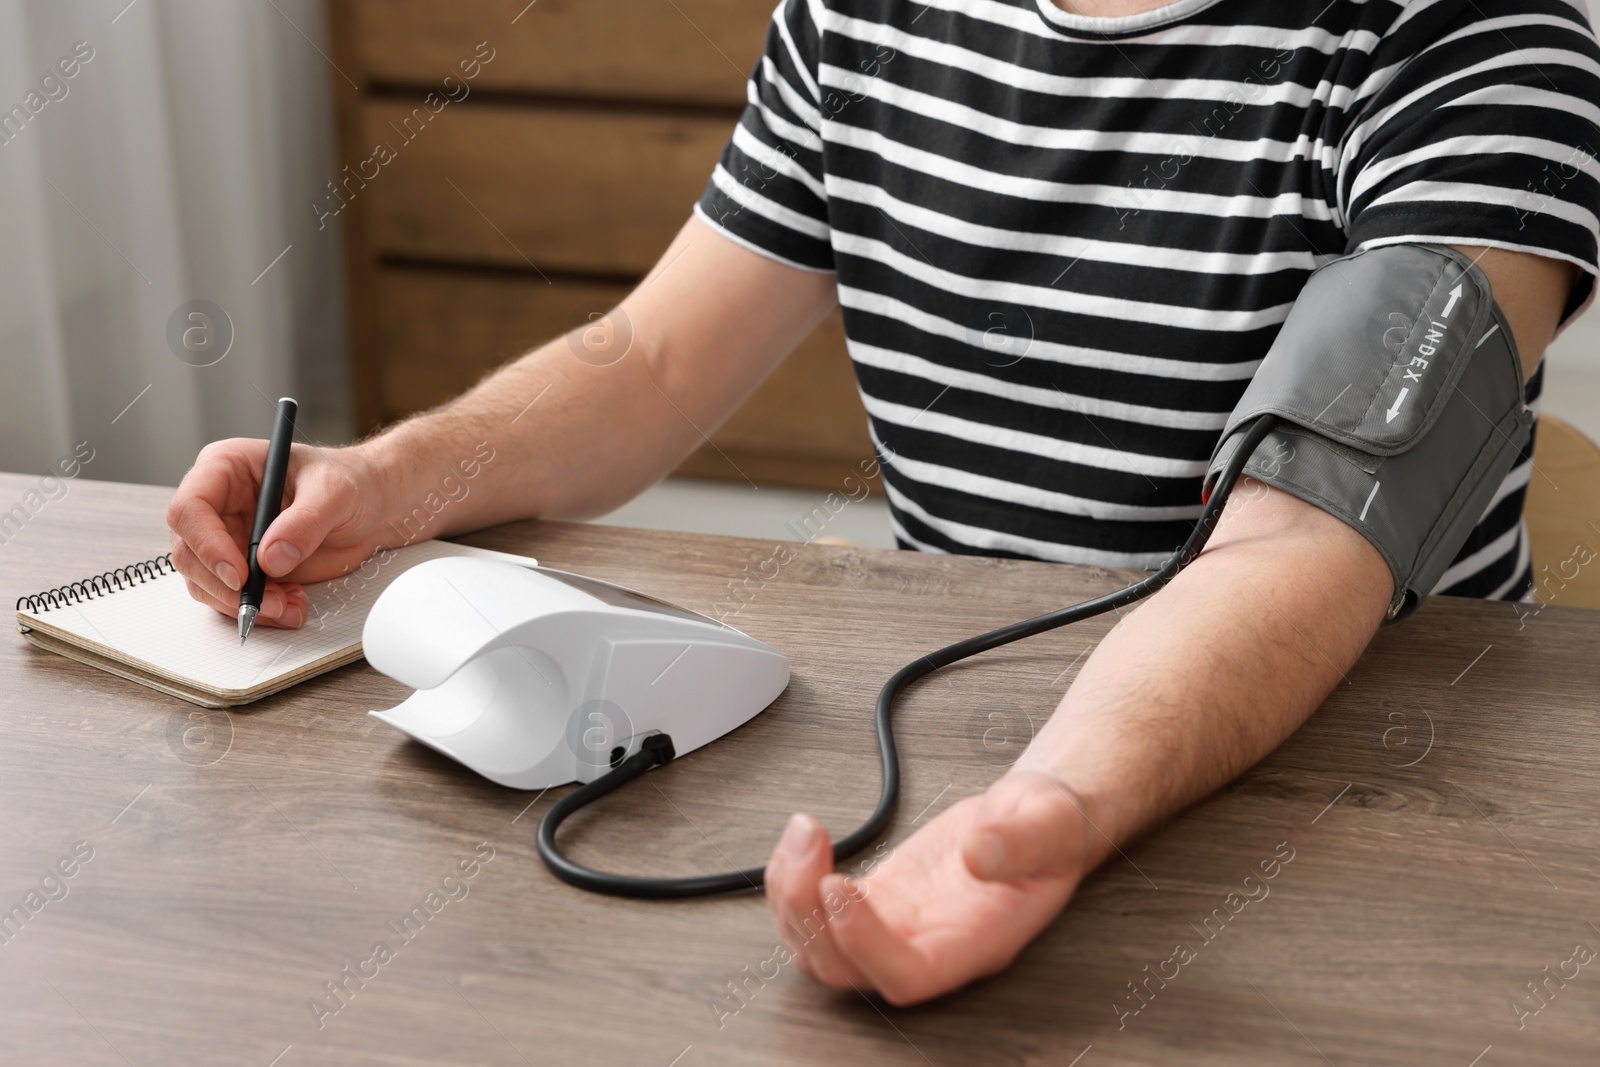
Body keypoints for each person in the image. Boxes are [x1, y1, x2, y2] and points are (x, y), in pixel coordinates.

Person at [168, 0, 1599, 1007]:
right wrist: (383, 479)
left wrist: (1052, 807)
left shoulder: (1481, 39)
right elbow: (652, 359)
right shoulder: (867, 16)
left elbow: (1305, 529)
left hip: (1365, 825)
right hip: (957, 767)